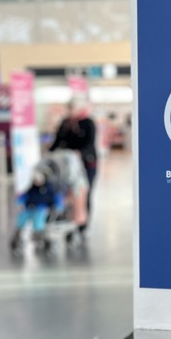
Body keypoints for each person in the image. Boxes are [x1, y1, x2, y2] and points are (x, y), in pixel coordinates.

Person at [50, 98, 98, 236]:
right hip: (67, 165)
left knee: (83, 191)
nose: (71, 111)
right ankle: (69, 219)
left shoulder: (88, 123)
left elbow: (90, 143)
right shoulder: (65, 123)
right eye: (69, 108)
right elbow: (57, 140)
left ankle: (83, 224)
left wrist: (80, 153)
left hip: (86, 163)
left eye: (73, 108)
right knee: (68, 193)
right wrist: (51, 153)